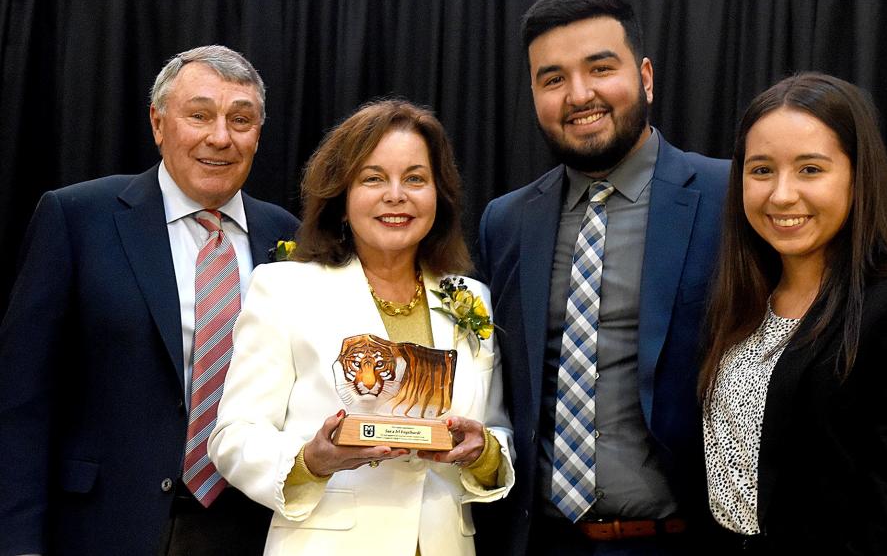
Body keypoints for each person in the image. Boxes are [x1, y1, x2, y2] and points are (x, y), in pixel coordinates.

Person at [0, 45, 299, 556]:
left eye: (240, 119)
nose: (220, 137)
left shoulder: (288, 237)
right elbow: (20, 403)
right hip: (101, 526)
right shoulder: (76, 218)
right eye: (199, 115)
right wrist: (18, 543)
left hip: (249, 528)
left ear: (258, 134)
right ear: (158, 124)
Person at [475, 0, 729, 555]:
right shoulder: (507, 222)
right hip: (539, 542)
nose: (579, 94)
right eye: (553, 78)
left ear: (645, 76)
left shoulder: (729, 197)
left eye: (600, 68)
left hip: (680, 541)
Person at [208, 98, 514, 555]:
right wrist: (311, 461)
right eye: (373, 178)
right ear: (342, 198)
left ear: (439, 195)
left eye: (415, 178)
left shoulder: (470, 298)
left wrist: (485, 452)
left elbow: (496, 429)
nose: (397, 195)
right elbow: (234, 436)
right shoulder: (283, 289)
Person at [699, 72, 887, 554]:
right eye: (761, 171)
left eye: (810, 169)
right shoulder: (741, 305)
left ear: (859, 176)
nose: (780, 194)